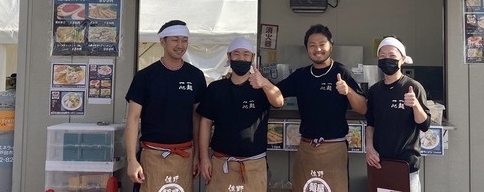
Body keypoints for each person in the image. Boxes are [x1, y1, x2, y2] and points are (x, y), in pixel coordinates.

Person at [277, 24, 367, 192]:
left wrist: (348, 91)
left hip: (334, 148)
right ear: (307, 49)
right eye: (312, 45)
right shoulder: (301, 75)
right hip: (306, 148)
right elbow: (276, 92)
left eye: (322, 44)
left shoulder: (341, 72)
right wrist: (260, 83)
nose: (317, 49)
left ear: (330, 46)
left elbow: (363, 108)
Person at [124, 20, 207, 192]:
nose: (180, 45)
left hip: (184, 155)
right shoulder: (145, 76)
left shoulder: (196, 76)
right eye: (175, 40)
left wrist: (198, 155)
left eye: (184, 40)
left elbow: (197, 118)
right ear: (162, 41)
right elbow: (132, 118)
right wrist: (132, 160)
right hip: (151, 155)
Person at [196, 37, 284, 191]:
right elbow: (205, 123)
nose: (241, 58)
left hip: (254, 164)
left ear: (252, 58)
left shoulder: (262, 87)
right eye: (236, 54)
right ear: (229, 57)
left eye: (246, 54)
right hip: (222, 163)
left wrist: (264, 83)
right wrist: (204, 158)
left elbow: (279, 101)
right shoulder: (216, 89)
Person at [365, 36, 431, 192]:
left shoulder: (413, 87)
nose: (387, 59)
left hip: (406, 164)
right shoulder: (375, 91)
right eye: (382, 56)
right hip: (380, 162)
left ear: (402, 59)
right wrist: (369, 148)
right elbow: (371, 123)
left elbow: (425, 125)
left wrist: (415, 105)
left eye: (392, 56)